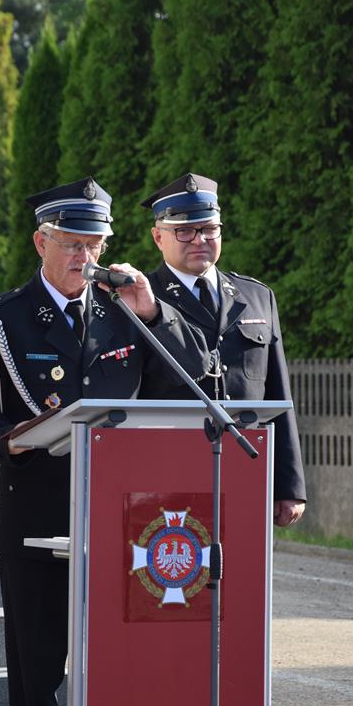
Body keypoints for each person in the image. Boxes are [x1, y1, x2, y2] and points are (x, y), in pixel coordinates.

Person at [0, 177, 212, 706]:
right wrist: (8, 439)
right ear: (42, 241)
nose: (85, 255)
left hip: (128, 523)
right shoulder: (2, 319)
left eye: (94, 241)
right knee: (40, 674)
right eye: (72, 242)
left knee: (131, 669)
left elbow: (195, 379)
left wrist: (153, 313)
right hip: (38, 515)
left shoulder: (125, 312)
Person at [141, 172, 306, 522]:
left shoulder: (256, 296)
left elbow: (278, 392)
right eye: (183, 231)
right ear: (158, 237)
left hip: (246, 467)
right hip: (167, 473)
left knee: (244, 572)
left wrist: (289, 485)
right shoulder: (141, 299)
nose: (199, 239)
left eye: (209, 229)